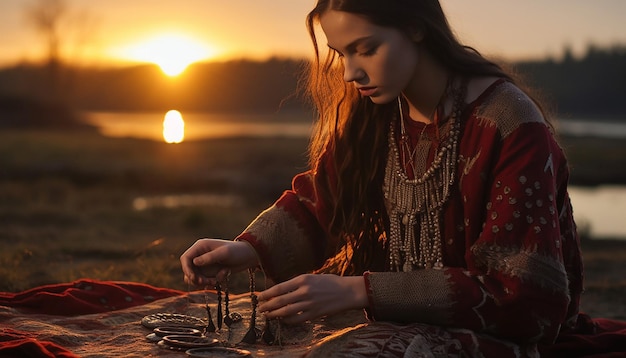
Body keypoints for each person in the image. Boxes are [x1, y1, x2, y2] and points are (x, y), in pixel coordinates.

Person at [181, 0, 625, 356]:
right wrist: (245, 249)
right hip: (398, 320)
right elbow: (325, 202)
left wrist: (359, 290)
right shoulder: (377, 115)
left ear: (415, 26)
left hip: (503, 336)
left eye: (366, 48)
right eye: (341, 54)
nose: (351, 72)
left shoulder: (509, 124)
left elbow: (524, 297)